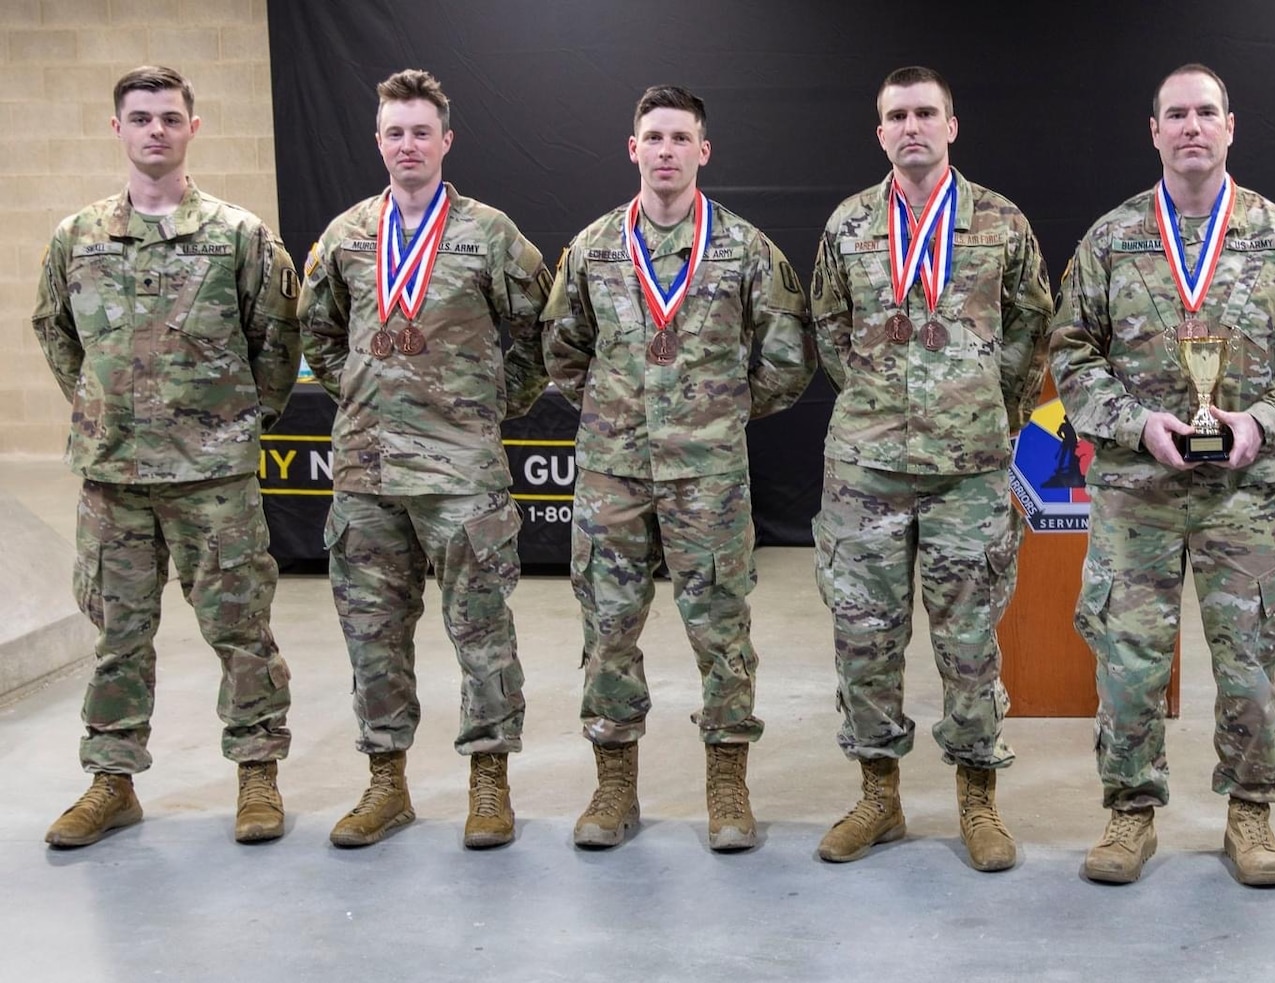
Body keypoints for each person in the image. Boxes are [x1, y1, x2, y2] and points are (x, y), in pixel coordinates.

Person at [1050, 64, 1275, 886]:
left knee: (1248, 659)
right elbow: (1069, 353)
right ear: (1154, 131)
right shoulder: (1111, 239)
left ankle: (1250, 814)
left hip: (1241, 494)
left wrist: (1259, 420)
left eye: (1205, 112)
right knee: (1130, 660)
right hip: (1135, 491)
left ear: (1230, 126)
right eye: (1175, 114)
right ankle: (1128, 813)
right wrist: (1137, 423)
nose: (1191, 128)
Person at [542, 85, 815, 851]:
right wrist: (617, 410)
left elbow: (789, 358)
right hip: (612, 475)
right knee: (608, 629)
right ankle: (614, 786)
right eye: (653, 137)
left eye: (680, 138)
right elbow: (561, 352)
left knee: (722, 628)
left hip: (709, 477)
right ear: (633, 149)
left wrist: (718, 411)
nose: (666, 151)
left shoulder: (746, 249)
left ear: (704, 150)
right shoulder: (594, 248)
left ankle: (727, 783)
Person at [34, 66, 300, 848]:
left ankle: (257, 772)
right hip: (112, 479)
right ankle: (111, 779)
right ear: (116, 128)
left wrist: (234, 423)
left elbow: (276, 344)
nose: (156, 129)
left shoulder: (237, 235)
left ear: (194, 127)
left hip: (211, 477)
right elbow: (57, 333)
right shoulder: (76, 237)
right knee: (117, 633)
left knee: (240, 628)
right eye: (141, 117)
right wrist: (104, 410)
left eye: (170, 117)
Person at [808, 65, 1053, 871]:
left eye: (925, 113)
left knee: (970, 639)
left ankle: (978, 800)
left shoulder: (1002, 222)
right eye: (896, 115)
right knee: (865, 639)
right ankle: (879, 797)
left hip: (970, 470)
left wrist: (985, 397)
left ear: (952, 125)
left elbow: (1032, 322)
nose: (911, 126)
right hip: (865, 469)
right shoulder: (848, 226)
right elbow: (828, 325)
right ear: (880, 132)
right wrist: (882, 397)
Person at [298, 69, 551, 850]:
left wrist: (485, 409)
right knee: (372, 632)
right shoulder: (344, 236)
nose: (408, 145)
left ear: (446, 140)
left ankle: (488, 780)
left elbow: (541, 334)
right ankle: (386, 782)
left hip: (460, 477)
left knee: (481, 630)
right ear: (379, 142)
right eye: (394, 132)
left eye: (421, 131)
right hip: (368, 474)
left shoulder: (490, 234)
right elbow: (317, 334)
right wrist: (366, 399)